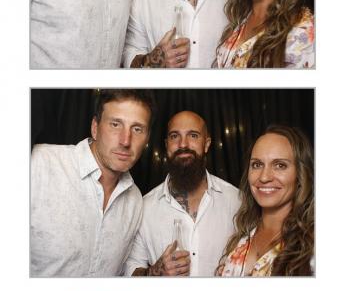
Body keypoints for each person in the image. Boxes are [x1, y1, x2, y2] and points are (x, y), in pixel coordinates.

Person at [31, 89, 155, 277]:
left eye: (137, 129)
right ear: (95, 128)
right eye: (115, 124)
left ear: (147, 138)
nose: (125, 141)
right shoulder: (39, 165)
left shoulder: (135, 200)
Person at [124, 110, 239, 277]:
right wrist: (155, 273)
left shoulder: (236, 201)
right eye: (174, 136)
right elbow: (130, 272)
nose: (183, 144)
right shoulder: (144, 207)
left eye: (193, 135)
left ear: (206, 144)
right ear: (166, 145)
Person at [215, 126, 314, 276]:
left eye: (280, 165)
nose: (264, 177)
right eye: (257, 165)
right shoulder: (242, 237)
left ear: (300, 174)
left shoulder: (312, 245)